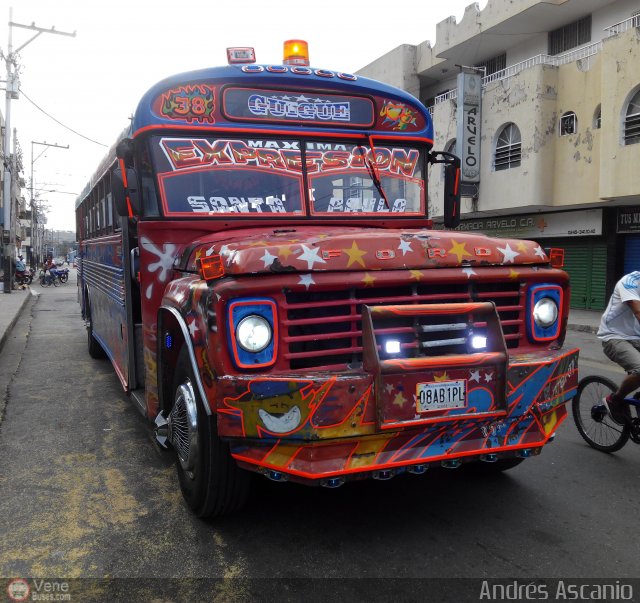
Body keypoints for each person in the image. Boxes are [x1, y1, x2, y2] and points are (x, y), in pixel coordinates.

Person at [597, 271, 640, 425]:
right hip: (614, 336)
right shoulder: (629, 282)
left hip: (637, 337)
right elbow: (638, 311)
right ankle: (615, 399)